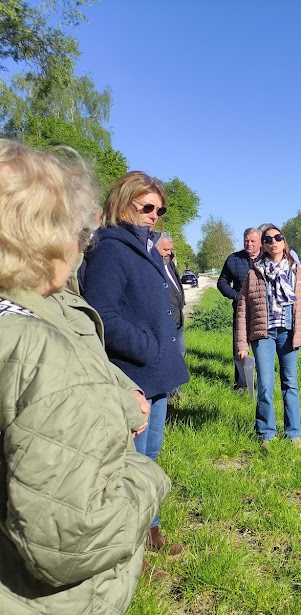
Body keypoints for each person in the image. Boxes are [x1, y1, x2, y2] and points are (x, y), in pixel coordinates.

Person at [0, 139, 170, 613]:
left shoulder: (31, 316)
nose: (82, 243)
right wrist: (147, 476)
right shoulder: (40, 353)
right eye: (75, 229)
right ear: (39, 234)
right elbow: (69, 539)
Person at [81, 170, 189, 553]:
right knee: (128, 463)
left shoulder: (146, 248)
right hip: (132, 375)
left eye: (159, 210)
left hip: (156, 374)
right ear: (123, 203)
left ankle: (150, 529)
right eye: (147, 207)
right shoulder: (109, 249)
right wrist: (148, 347)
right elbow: (101, 315)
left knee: (149, 457)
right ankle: (127, 546)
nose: (154, 215)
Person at [235, 225, 301, 447]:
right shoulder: (254, 273)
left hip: (289, 333)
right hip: (263, 334)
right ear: (263, 245)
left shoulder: (297, 272)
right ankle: (266, 434)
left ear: (284, 242)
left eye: (277, 237)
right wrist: (241, 344)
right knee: (264, 384)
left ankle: (293, 434)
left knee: (290, 383)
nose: (273, 242)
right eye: (268, 239)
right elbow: (243, 310)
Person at [218, 227, 261, 391]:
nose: (249, 244)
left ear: (260, 242)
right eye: (246, 241)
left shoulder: (267, 258)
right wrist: (235, 296)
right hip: (241, 311)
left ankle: (263, 384)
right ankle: (242, 386)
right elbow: (222, 282)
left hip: (262, 313)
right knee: (239, 349)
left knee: (262, 350)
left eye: (253, 241)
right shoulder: (234, 259)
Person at [155, 231, 186, 357]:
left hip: (178, 319)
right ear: (155, 248)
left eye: (170, 249)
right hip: (166, 323)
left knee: (181, 355)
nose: (169, 252)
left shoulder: (169, 262)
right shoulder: (153, 266)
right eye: (165, 249)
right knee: (169, 357)